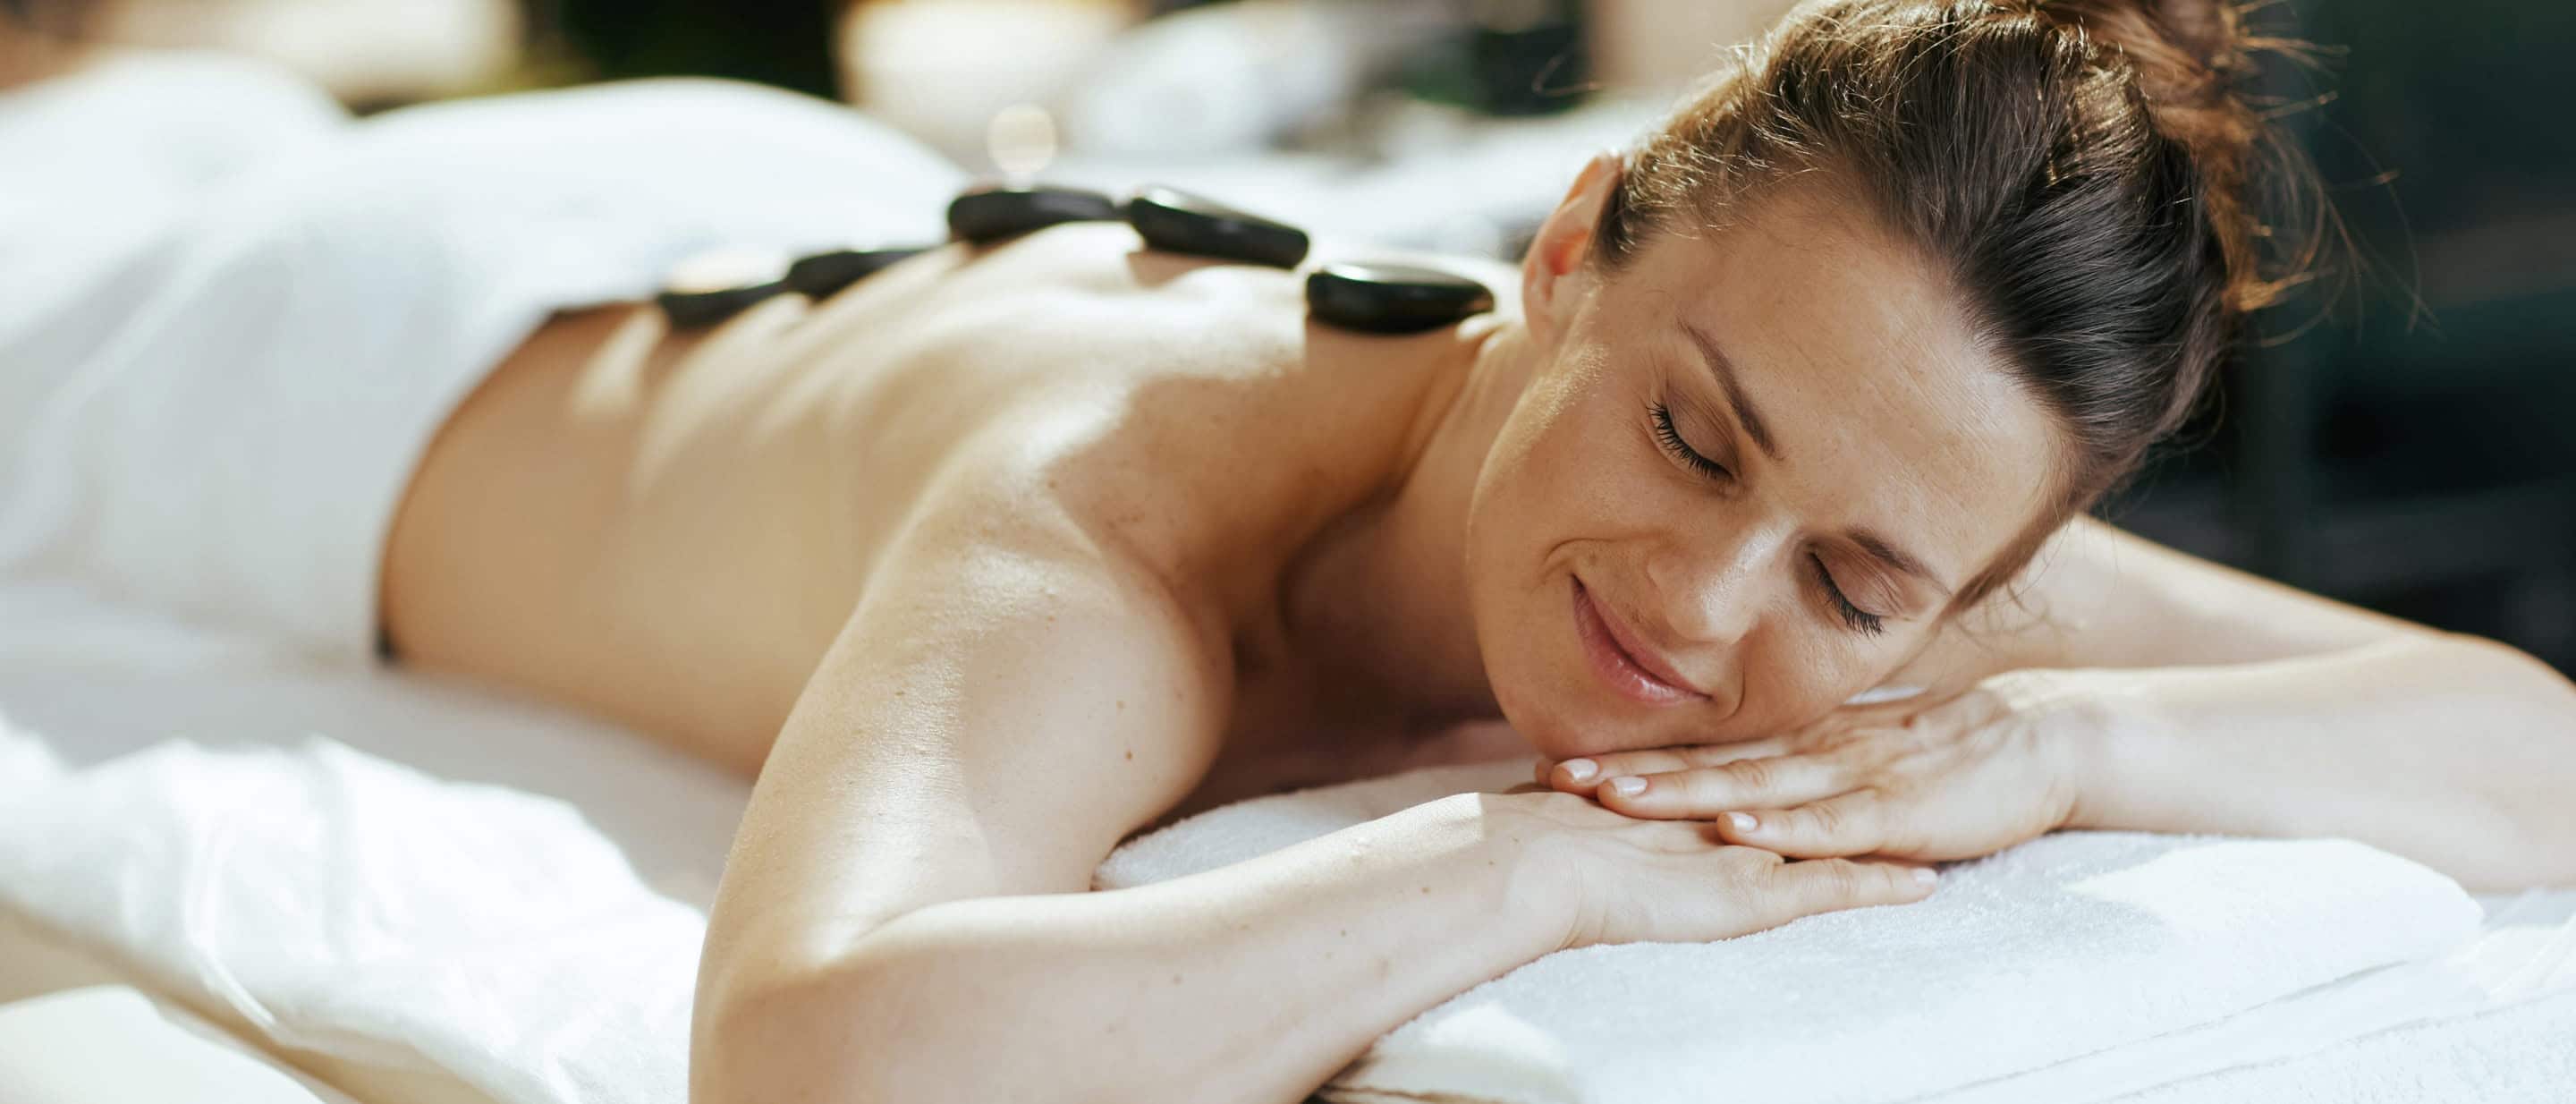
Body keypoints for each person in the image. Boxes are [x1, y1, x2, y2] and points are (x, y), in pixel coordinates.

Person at [1, 2, 2570, 1103]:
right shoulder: (1125, 519)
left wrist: (2042, 740)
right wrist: (1526, 862)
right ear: (1572, 247)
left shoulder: (1864, 495)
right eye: (1685, 436)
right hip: (359, 342)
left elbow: (2529, 754)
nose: (1707, 604)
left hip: (866, 225)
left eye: (1867, 594)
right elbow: (809, 1057)